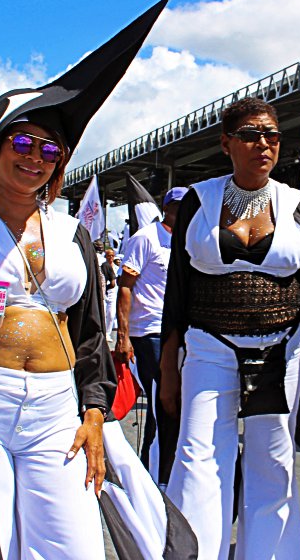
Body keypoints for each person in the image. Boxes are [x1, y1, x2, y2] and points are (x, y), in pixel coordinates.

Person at [0, 0, 177, 560]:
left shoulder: (74, 236)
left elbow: (89, 334)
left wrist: (94, 413)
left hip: (55, 408)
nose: (35, 158)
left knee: (75, 546)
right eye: (22, 143)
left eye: (49, 149)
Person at [160, 96, 300, 560]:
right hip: (208, 349)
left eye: (271, 135)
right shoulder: (198, 201)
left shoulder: (299, 205)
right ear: (226, 143)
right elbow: (177, 290)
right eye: (250, 135)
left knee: (274, 465)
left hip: (281, 354)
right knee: (199, 462)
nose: (263, 144)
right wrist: (168, 367)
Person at [116, 186, 185, 476]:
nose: (183, 212)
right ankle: (151, 471)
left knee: (172, 406)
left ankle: (162, 469)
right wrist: (123, 336)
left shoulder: (184, 242)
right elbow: (124, 287)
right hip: (149, 332)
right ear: (166, 207)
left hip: (176, 332)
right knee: (162, 404)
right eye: (178, 206)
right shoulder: (145, 239)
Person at [101, 246, 118, 335]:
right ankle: (103, 333)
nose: (111, 257)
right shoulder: (103, 266)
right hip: (105, 292)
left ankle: (108, 333)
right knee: (103, 313)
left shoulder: (116, 268)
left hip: (113, 293)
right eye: (108, 256)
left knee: (111, 314)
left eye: (112, 256)